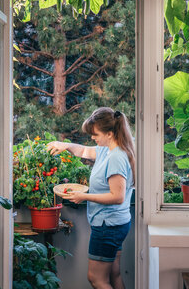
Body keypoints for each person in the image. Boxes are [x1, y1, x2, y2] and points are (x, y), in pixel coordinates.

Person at [47, 107, 135, 289]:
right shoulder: (108, 149)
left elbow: (117, 196)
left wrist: (83, 196)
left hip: (107, 226)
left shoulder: (116, 157)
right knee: (113, 273)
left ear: (109, 133)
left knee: (96, 279)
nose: (92, 138)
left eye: (95, 134)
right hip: (115, 223)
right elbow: (85, 151)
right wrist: (66, 146)